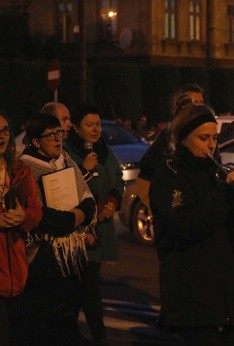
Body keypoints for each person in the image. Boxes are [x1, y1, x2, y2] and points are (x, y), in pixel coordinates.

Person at [149, 103, 234, 346]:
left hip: (227, 293)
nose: (211, 145)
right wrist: (226, 193)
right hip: (193, 295)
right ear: (184, 139)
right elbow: (188, 225)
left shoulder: (217, 172)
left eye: (215, 138)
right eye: (203, 138)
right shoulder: (168, 177)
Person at [11, 113, 96, 345]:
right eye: (50, 135)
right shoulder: (26, 168)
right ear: (36, 142)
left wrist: (77, 216)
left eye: (59, 133)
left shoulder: (65, 160)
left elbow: (88, 200)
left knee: (70, 312)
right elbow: (39, 215)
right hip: (45, 259)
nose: (58, 139)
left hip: (73, 255)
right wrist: (72, 220)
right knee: (46, 320)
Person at [63, 102, 124, 346]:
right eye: (89, 125)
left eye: (98, 123)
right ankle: (97, 335)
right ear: (76, 128)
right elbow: (68, 187)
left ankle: (76, 332)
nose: (95, 129)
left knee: (88, 286)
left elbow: (117, 178)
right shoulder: (68, 152)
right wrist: (84, 169)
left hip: (101, 228)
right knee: (87, 288)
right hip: (80, 231)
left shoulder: (106, 150)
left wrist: (112, 201)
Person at [0, 112, 42, 345]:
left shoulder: (20, 171)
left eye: (5, 130)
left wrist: (23, 216)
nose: (2, 136)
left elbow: (36, 211)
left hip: (17, 268)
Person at [137, 83, 205, 209]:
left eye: (202, 102)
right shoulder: (169, 136)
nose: (200, 107)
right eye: (195, 102)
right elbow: (147, 167)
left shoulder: (206, 137)